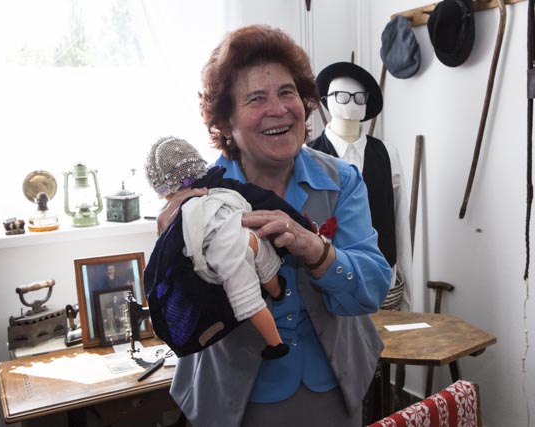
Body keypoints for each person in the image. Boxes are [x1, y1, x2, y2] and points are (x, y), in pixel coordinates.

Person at [156, 25, 391, 427]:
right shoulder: (200, 201)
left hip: (334, 387)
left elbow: (372, 288)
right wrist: (173, 253)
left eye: (287, 92)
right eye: (256, 98)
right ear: (225, 122)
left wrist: (318, 251)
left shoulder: (342, 181)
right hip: (235, 399)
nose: (279, 109)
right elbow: (181, 313)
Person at [145, 136, 312, 360]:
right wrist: (303, 227)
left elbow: (166, 272)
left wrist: (163, 243)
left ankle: (275, 344)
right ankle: (276, 289)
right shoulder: (225, 184)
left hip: (232, 254)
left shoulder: (179, 216)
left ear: (164, 192)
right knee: (267, 269)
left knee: (251, 304)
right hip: (253, 237)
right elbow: (266, 199)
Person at [308, 62, 413, 310]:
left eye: (358, 96)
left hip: (382, 282)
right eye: (342, 95)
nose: (351, 103)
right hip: (326, 284)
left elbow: (400, 224)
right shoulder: (308, 156)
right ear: (327, 100)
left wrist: (408, 298)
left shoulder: (387, 154)